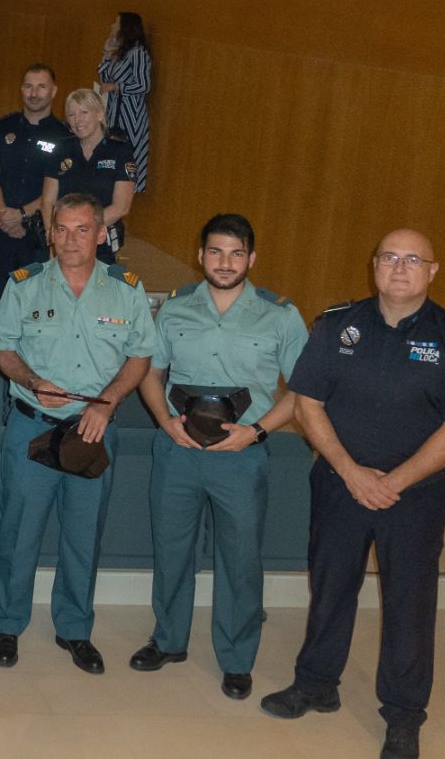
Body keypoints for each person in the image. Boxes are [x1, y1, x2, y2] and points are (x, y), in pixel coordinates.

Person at [260, 230, 445, 759]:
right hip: (341, 486)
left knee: (409, 603)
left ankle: (405, 716)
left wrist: (393, 482)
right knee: (330, 585)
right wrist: (349, 470)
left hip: (417, 497)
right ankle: (316, 682)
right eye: (390, 257)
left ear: (432, 271)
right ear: (374, 266)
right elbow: (308, 402)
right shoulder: (338, 324)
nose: (400, 267)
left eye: (413, 260)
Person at [128, 214, 308, 699]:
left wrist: (255, 432)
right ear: (200, 255)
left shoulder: (280, 315)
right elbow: (150, 371)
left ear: (251, 258)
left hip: (241, 457)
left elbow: (304, 391)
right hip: (178, 452)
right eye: (214, 251)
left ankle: (236, 658)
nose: (224, 262)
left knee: (240, 559)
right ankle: (168, 640)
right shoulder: (176, 308)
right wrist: (165, 422)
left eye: (235, 253)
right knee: (171, 550)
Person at [0, 193, 160, 675]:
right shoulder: (23, 286)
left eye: (82, 229)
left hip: (93, 430)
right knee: (18, 532)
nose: (70, 239)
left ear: (101, 234)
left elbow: (141, 355)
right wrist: (32, 381)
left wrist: (106, 404)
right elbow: (1, 348)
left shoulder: (125, 288)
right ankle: (7, 622)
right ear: (51, 233)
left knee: (84, 535)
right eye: (61, 229)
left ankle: (75, 629)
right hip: (34, 429)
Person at [0, 64, 73, 301]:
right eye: (29, 86)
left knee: (36, 303)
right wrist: (3, 214)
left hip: (38, 234)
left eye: (41, 87)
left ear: (53, 92)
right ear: (21, 90)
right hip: (0, 231)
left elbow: (59, 190)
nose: (34, 93)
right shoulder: (3, 128)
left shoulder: (65, 136)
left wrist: (20, 215)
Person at [40, 88, 137, 264]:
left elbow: (121, 207)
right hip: (64, 244)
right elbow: (48, 201)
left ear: (100, 114)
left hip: (101, 242)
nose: (78, 120)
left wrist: (81, 231)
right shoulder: (60, 150)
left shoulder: (120, 151)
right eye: (71, 114)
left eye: (84, 112)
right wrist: (54, 236)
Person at [97, 11, 152, 192]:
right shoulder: (121, 52)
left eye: (116, 23)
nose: (112, 26)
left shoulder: (138, 53)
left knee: (127, 155)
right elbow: (105, 78)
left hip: (130, 116)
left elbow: (143, 85)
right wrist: (107, 53)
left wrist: (117, 87)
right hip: (114, 113)